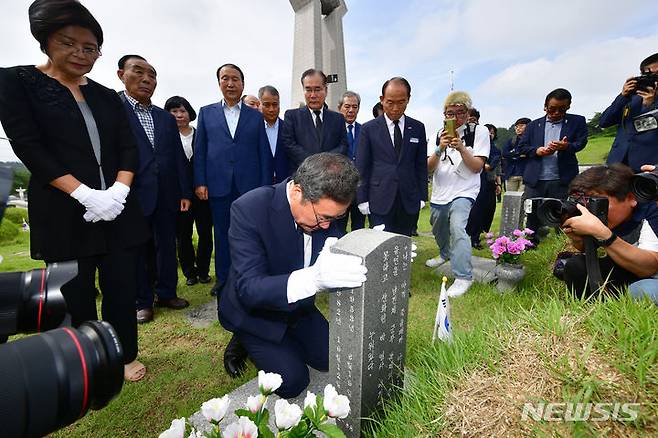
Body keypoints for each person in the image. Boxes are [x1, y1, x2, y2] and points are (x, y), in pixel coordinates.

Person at [0, 0, 149, 381]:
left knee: (120, 284)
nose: (80, 55)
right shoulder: (17, 82)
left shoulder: (106, 96)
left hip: (116, 208)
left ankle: (123, 354)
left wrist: (117, 191)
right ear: (46, 42)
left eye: (90, 48)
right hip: (65, 209)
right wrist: (84, 194)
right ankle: (88, 359)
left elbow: (127, 147)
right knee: (75, 290)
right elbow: (28, 147)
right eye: (69, 44)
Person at [218, 153, 367, 397]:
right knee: (293, 382)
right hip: (256, 313)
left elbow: (337, 244)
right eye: (325, 217)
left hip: (299, 308)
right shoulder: (249, 208)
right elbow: (250, 289)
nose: (328, 226)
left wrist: (374, 250)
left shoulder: (324, 211)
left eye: (337, 218)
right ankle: (242, 340)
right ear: (297, 192)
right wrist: (314, 279)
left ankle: (285, 344)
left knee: (334, 358)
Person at [118, 55, 192, 323]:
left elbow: (177, 158)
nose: (147, 79)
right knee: (137, 248)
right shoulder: (114, 109)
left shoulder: (164, 117)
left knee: (166, 245)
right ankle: (142, 301)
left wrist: (184, 192)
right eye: (138, 72)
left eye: (152, 75)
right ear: (121, 75)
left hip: (167, 193)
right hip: (130, 193)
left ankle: (167, 292)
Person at [194, 63, 272, 296]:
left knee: (250, 235)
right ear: (219, 83)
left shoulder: (255, 117)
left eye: (235, 79)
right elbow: (200, 150)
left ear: (243, 84)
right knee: (222, 234)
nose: (230, 83)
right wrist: (200, 181)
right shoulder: (206, 113)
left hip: (249, 187)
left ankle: (248, 276)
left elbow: (264, 153)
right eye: (225, 78)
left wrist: (266, 187)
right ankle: (224, 280)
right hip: (218, 186)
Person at [425, 91, 490, 297]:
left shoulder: (478, 132)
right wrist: (439, 148)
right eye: (449, 113)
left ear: (467, 112)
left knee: (458, 228)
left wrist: (461, 148)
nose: (454, 118)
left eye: (460, 112)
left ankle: (463, 276)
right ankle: (445, 253)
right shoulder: (438, 133)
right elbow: (428, 168)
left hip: (464, 190)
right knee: (438, 227)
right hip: (440, 191)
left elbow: (477, 166)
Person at [559, 164, 658, 299]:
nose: (592, 208)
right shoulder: (608, 216)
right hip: (629, 267)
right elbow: (589, 250)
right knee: (576, 266)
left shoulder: (651, 210)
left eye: (599, 201)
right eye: (587, 202)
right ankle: (596, 308)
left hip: (650, 273)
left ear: (631, 198)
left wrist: (603, 234)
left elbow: (650, 267)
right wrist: (578, 238)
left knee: (641, 291)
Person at [356, 77, 428, 236]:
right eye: (390, 102)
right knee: (380, 245)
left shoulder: (417, 128)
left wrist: (422, 195)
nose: (395, 108)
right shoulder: (369, 129)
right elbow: (362, 167)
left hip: (408, 198)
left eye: (401, 102)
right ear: (382, 100)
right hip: (379, 198)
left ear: (408, 99)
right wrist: (362, 199)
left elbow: (420, 165)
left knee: (404, 244)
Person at [519, 88, 588, 244]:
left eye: (561, 109)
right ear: (545, 106)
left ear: (568, 106)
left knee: (563, 214)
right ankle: (530, 245)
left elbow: (581, 142)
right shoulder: (533, 125)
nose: (556, 112)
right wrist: (537, 150)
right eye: (552, 109)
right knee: (532, 215)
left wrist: (566, 146)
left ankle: (562, 247)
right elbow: (522, 147)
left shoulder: (577, 121)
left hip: (562, 178)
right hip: (536, 179)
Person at [164, 96, 213, 287]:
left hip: (203, 193)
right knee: (183, 235)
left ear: (189, 113)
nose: (178, 115)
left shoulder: (201, 134)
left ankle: (203, 270)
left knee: (205, 233)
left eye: (182, 111)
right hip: (179, 196)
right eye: (174, 111)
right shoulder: (166, 137)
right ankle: (189, 272)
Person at [281, 68, 348, 173]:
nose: (313, 95)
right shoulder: (292, 116)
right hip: (302, 177)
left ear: (325, 90)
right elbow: (289, 144)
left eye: (317, 89)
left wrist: (326, 162)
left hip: (331, 177)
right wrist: (314, 163)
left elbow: (343, 145)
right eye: (308, 90)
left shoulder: (338, 119)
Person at [601, 53, 658, 172]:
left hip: (647, 166)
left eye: (656, 75)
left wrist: (649, 105)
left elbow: (644, 126)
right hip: (617, 164)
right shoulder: (632, 95)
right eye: (648, 75)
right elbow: (604, 121)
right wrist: (623, 96)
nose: (653, 78)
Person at [467, 123, 501, 248]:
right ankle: (473, 237)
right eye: (487, 132)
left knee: (487, 210)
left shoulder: (495, 150)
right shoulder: (474, 146)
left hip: (488, 183)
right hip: (474, 182)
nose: (490, 135)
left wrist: (498, 184)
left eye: (492, 133)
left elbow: (492, 167)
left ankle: (477, 233)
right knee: (475, 210)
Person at [336, 90, 365, 232]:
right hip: (339, 190)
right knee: (338, 229)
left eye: (355, 107)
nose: (351, 110)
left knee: (359, 229)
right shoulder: (333, 130)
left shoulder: (365, 130)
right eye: (347, 106)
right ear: (340, 107)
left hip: (360, 189)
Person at [258, 85, 290, 183]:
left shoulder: (288, 128)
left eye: (275, 104)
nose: (271, 109)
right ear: (259, 104)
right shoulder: (254, 129)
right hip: (259, 184)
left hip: (284, 183)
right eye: (266, 105)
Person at [502, 117, 531, 192]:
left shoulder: (532, 140)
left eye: (521, 126)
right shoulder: (512, 141)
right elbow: (504, 153)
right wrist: (518, 154)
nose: (518, 128)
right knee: (510, 199)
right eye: (516, 127)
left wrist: (513, 154)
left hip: (526, 174)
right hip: (511, 173)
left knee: (522, 199)